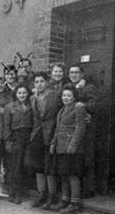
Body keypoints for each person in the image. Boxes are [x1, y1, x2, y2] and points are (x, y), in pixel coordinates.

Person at [50, 84, 87, 213]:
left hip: (72, 149)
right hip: (61, 147)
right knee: (63, 174)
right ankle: (65, 201)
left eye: (68, 96)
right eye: (64, 95)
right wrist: (53, 144)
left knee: (72, 175)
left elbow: (80, 128)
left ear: (74, 97)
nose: (65, 98)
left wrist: (72, 145)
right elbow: (58, 128)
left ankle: (75, 204)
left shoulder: (78, 108)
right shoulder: (62, 110)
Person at [29, 71, 61, 208]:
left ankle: (51, 196)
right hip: (37, 133)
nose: (39, 84)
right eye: (36, 82)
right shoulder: (33, 98)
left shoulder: (55, 95)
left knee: (49, 166)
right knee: (38, 166)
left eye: (41, 81)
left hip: (50, 132)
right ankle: (41, 194)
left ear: (47, 82)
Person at [69, 64, 100, 198]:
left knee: (87, 158)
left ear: (82, 74)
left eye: (76, 73)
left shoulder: (89, 88)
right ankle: (77, 188)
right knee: (77, 158)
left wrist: (84, 106)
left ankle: (89, 189)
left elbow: (96, 104)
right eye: (71, 73)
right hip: (75, 128)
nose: (73, 75)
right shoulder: (71, 87)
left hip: (87, 128)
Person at [4, 84, 34, 204]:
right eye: (19, 93)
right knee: (14, 167)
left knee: (25, 165)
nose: (22, 95)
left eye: (24, 93)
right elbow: (6, 126)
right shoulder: (10, 107)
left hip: (28, 137)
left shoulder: (31, 106)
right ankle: (14, 193)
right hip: (15, 137)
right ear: (16, 94)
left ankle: (21, 190)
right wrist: (8, 141)